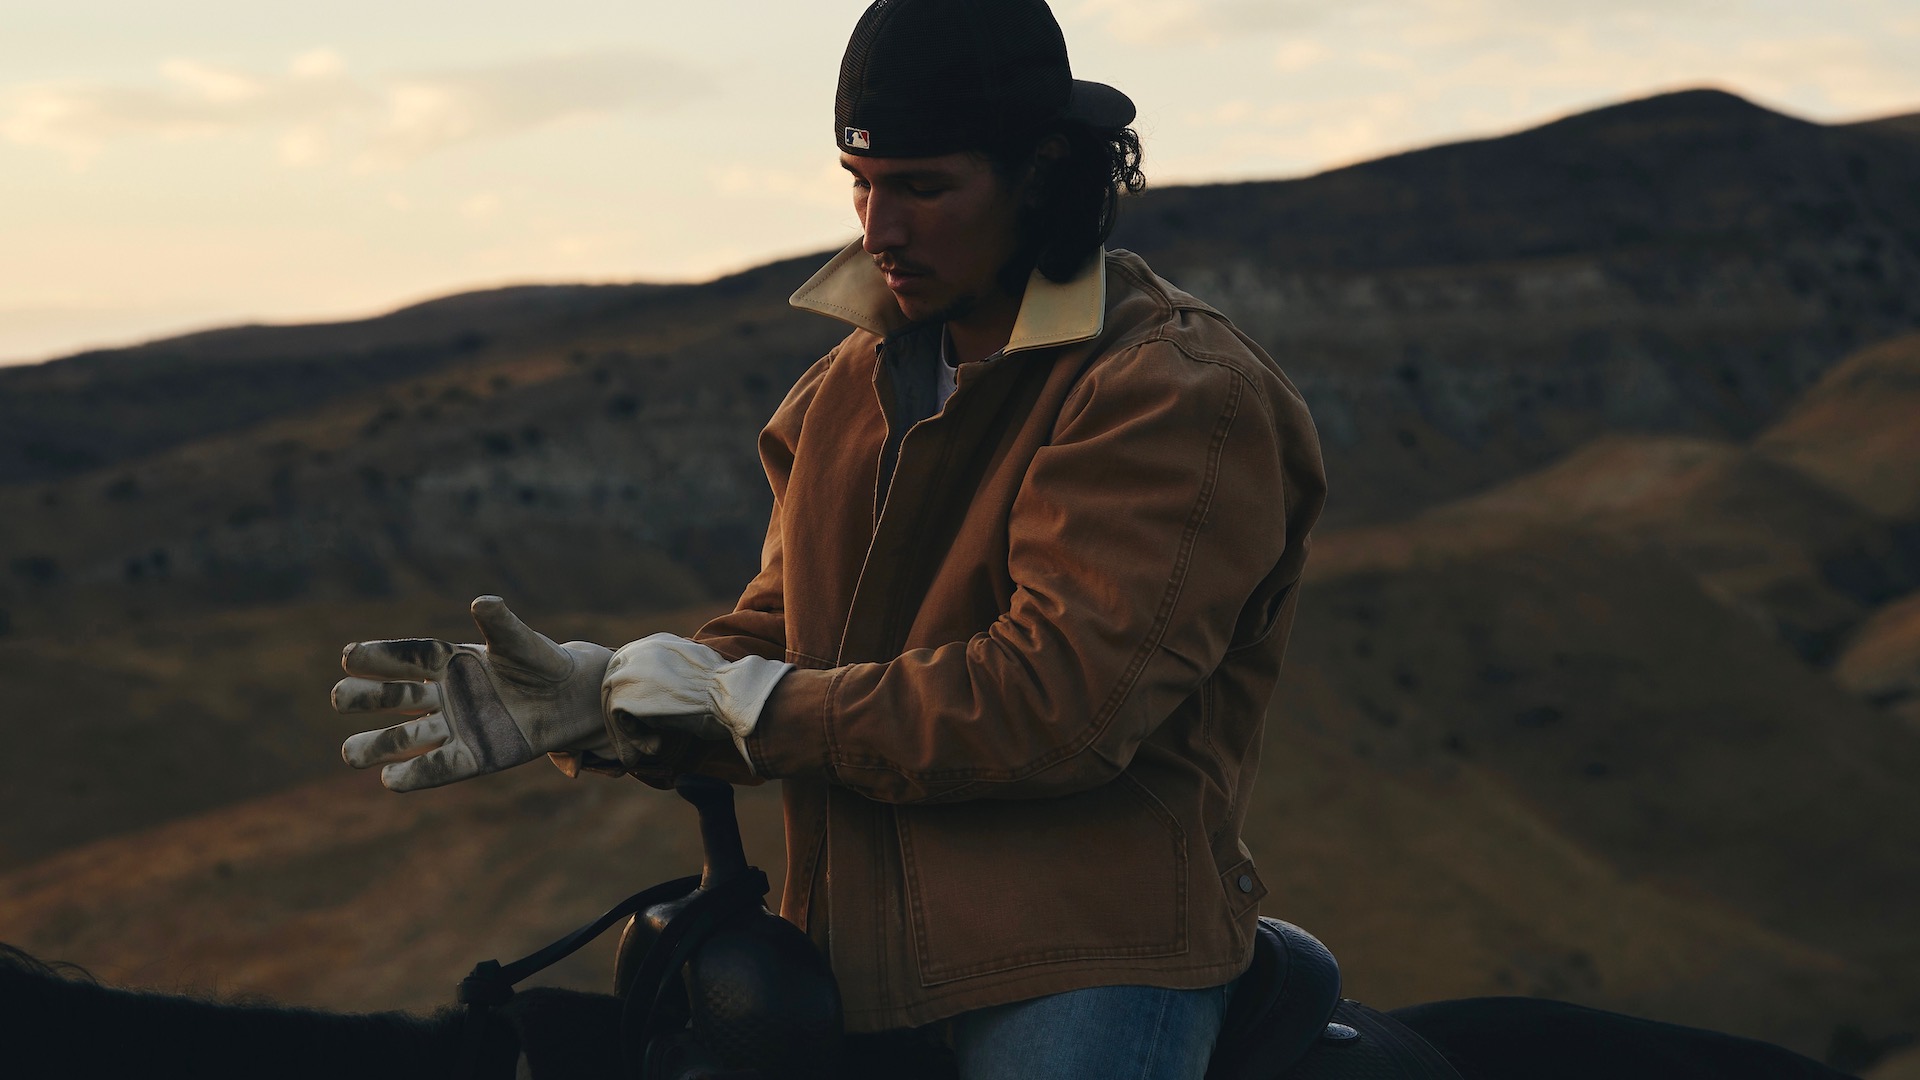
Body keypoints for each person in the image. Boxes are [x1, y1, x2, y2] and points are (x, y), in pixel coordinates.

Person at [332, 1, 1326, 1076]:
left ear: (1043, 172)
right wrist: (608, 699)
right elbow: (788, 634)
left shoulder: (1169, 391)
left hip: (1082, 962)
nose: (877, 228)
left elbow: (1055, 706)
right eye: (861, 182)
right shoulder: (851, 383)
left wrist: (743, 707)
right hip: (839, 962)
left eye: (922, 187)